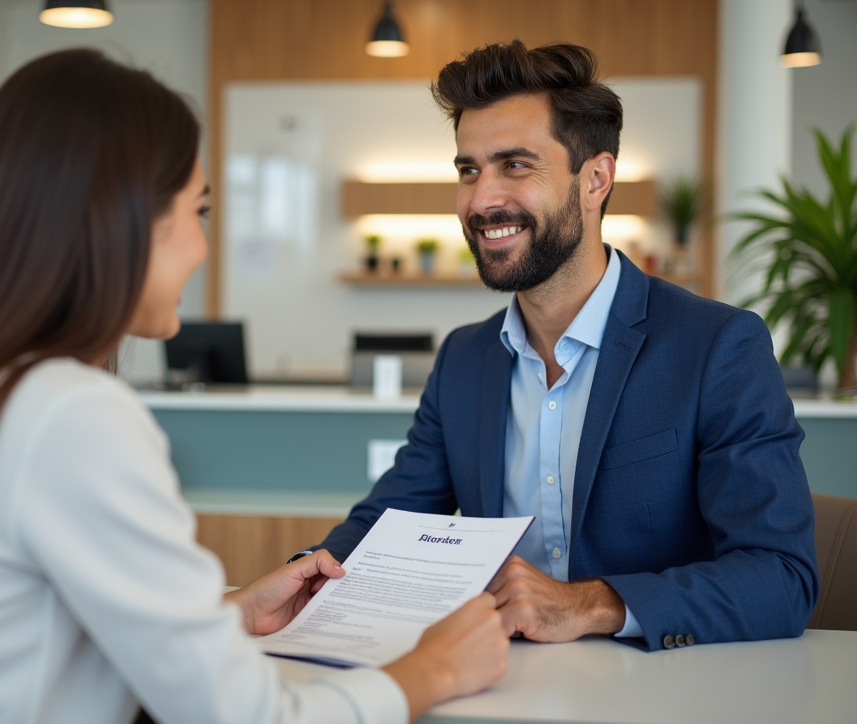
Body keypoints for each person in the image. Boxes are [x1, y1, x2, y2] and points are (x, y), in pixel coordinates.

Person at [0, 49, 509, 724]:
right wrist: (434, 669)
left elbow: (10, 629)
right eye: (199, 210)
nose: (202, 247)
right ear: (120, 218)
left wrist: (224, 614)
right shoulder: (69, 413)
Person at [310, 39, 819, 652]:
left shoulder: (717, 346)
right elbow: (387, 526)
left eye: (515, 165)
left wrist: (589, 604)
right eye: (468, 169)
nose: (481, 199)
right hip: (498, 688)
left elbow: (781, 578)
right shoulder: (464, 360)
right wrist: (310, 573)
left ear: (596, 179)